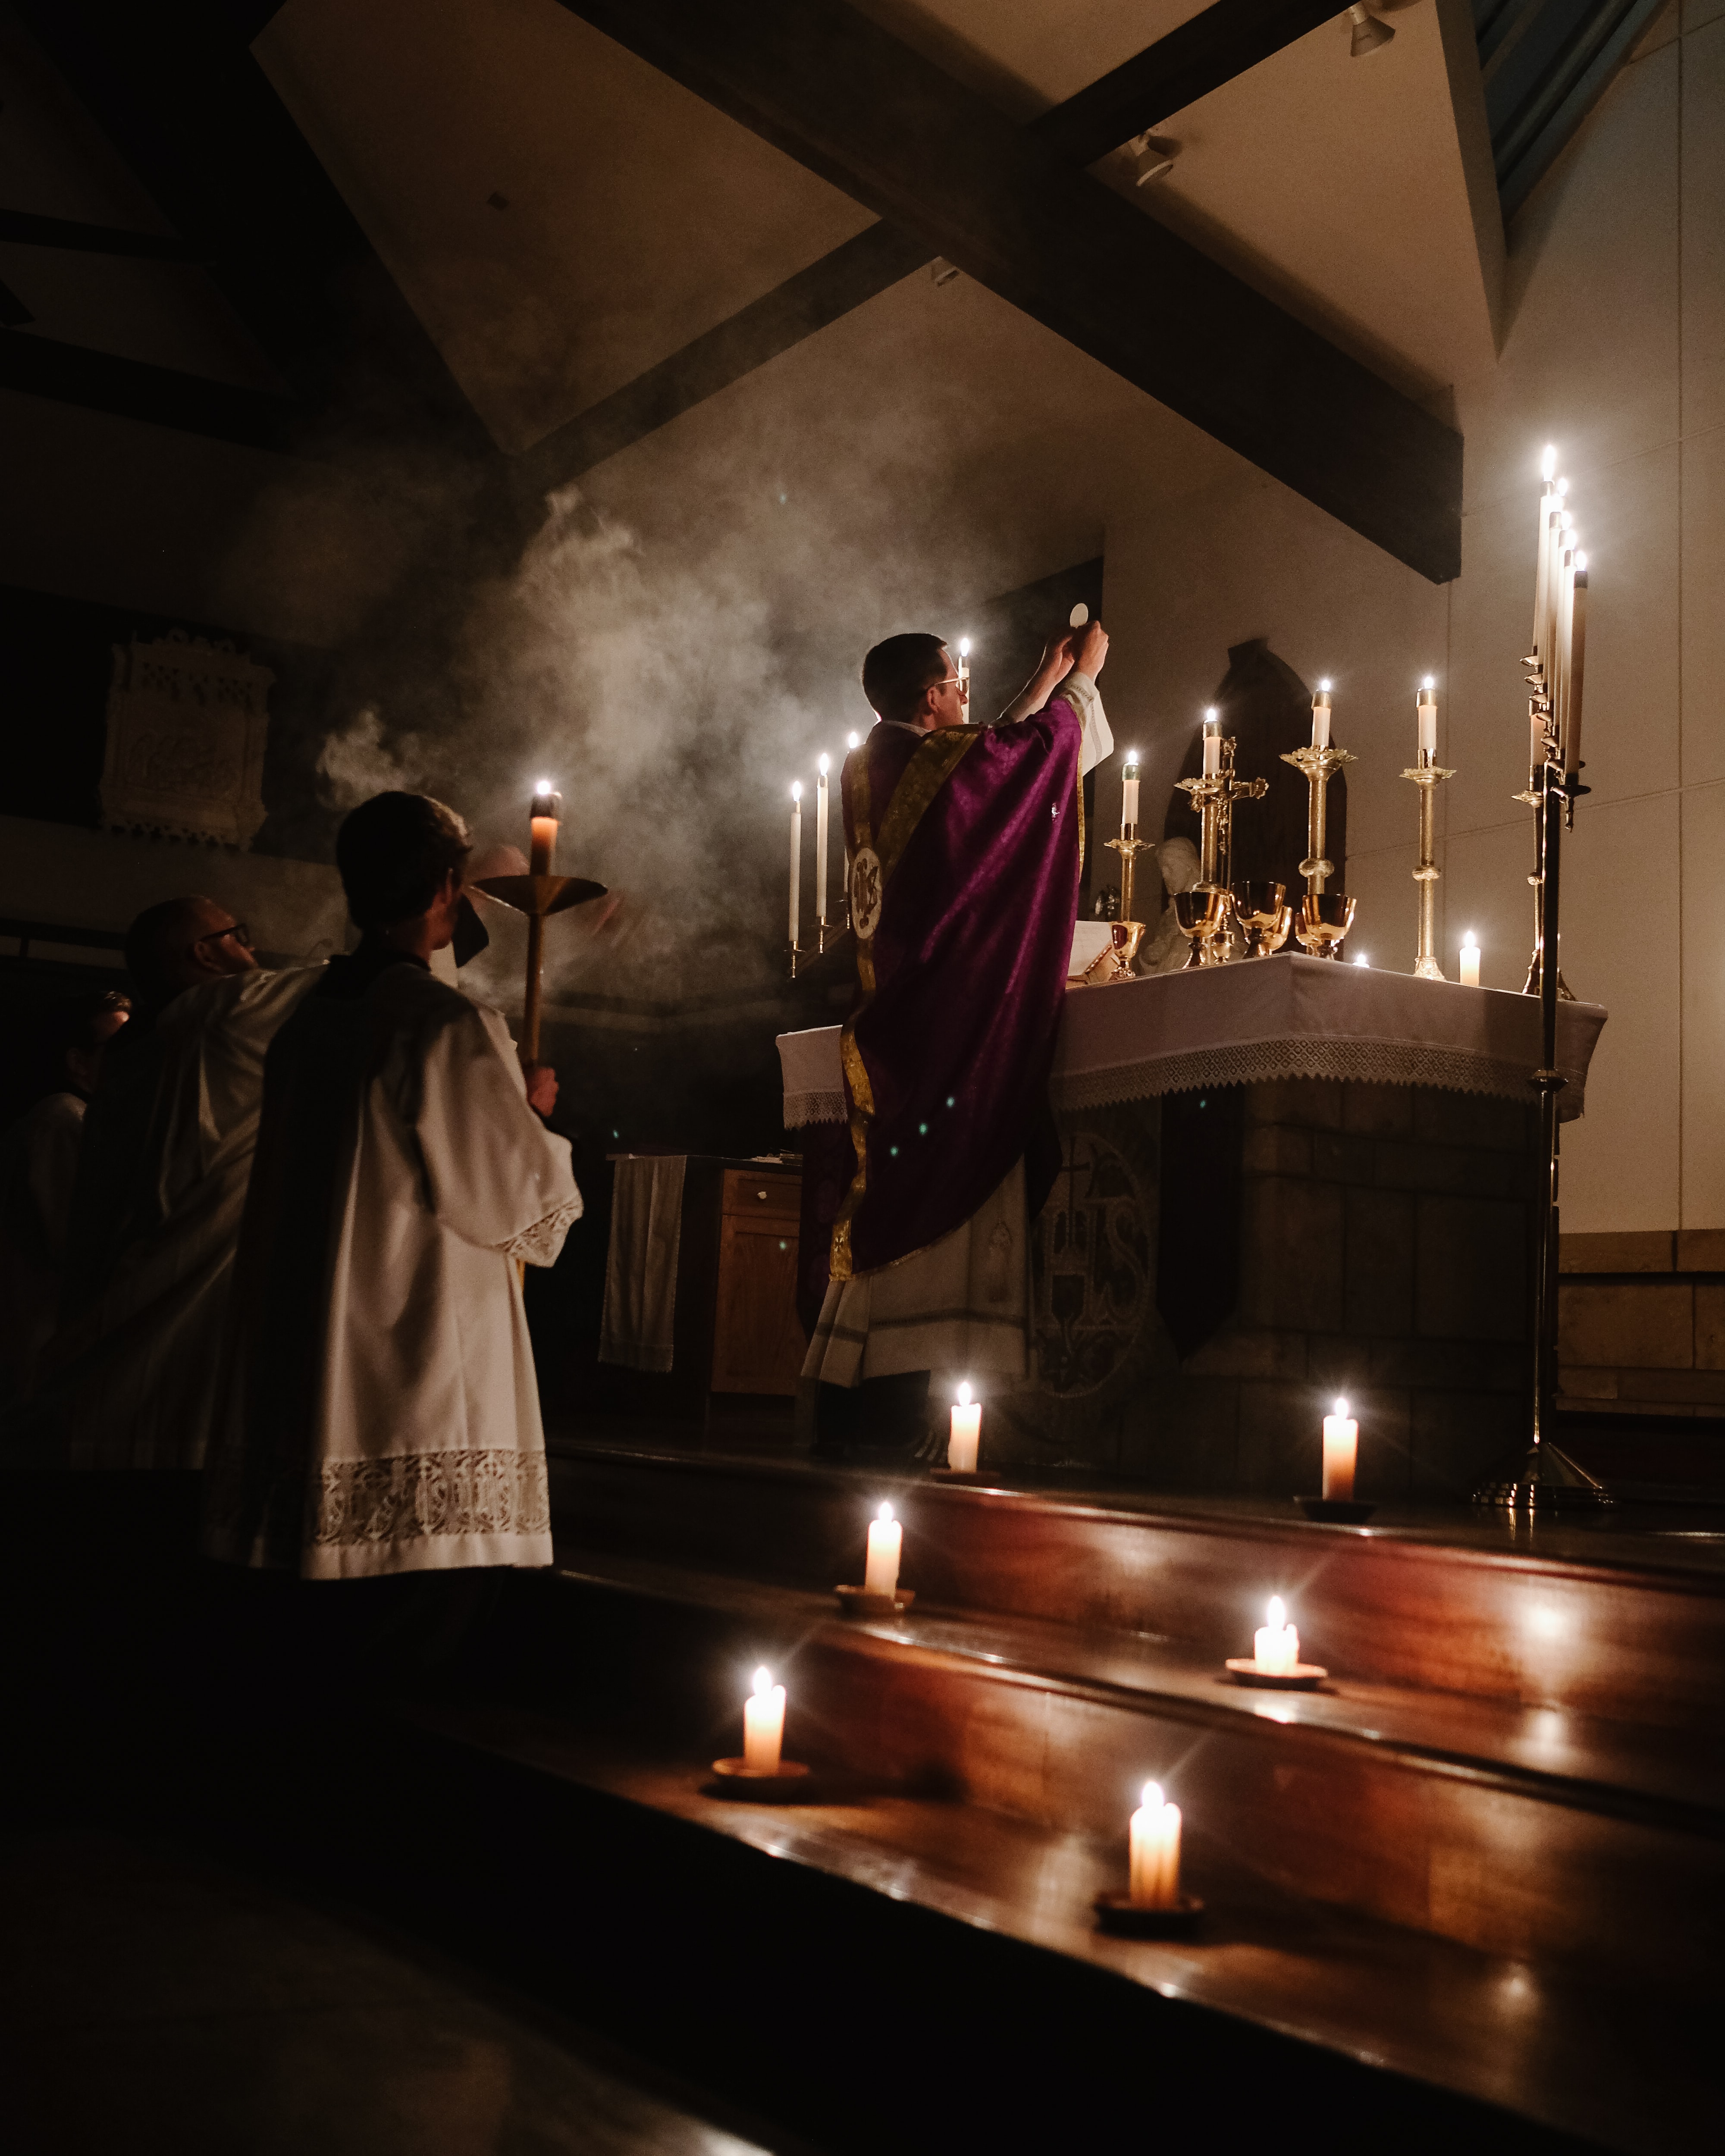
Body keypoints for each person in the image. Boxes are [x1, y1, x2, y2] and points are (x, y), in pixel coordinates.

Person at [203, 791, 580, 1592]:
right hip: (417, 1339)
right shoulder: (443, 1024)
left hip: (312, 1331)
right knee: (411, 1590)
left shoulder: (309, 1024)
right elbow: (516, 1203)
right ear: (447, 888)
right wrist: (532, 1118)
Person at [803, 622, 1114, 1457]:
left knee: (891, 1196)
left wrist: (1040, 686)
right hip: (951, 1017)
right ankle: (920, 1405)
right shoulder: (927, 763)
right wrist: (1081, 683)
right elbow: (1007, 777)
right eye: (955, 683)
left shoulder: (876, 763)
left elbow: (987, 775)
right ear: (931, 694)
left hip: (902, 1011)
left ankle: (867, 1396)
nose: (964, 695)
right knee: (948, 1178)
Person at [44, 899, 321, 1473]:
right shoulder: (222, 1010)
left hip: (108, 1333)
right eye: (238, 936)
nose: (254, 952)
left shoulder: (135, 1049)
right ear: (204, 953)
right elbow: (353, 984)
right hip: (176, 1349)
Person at [0, 989, 130, 1410]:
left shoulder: (79, 1121)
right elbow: (74, 1241)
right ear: (78, 1061)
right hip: (40, 1343)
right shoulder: (64, 1120)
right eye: (119, 1048)